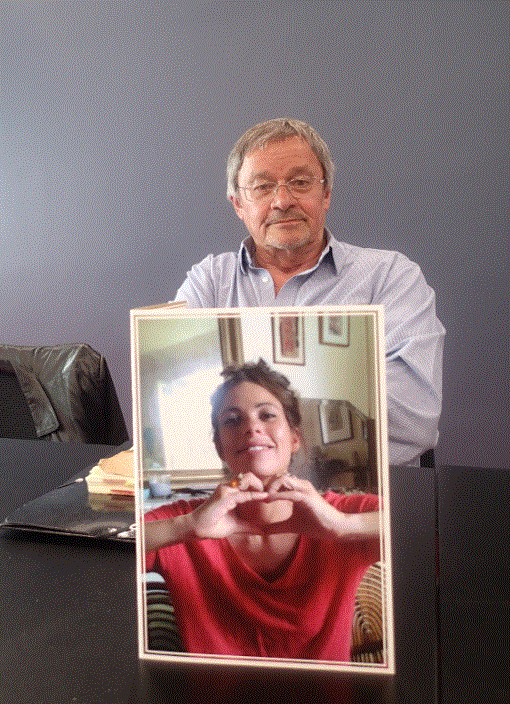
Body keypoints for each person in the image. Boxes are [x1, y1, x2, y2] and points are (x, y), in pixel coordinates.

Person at [174, 119, 445, 466]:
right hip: (239, 494)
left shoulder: (390, 278)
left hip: (376, 495)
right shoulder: (208, 283)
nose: (282, 200)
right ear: (238, 204)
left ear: (326, 193)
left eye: (300, 183)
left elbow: (412, 419)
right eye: (262, 187)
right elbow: (179, 414)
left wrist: (241, 416)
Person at [144, 360, 380, 662]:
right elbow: (100, 549)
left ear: (294, 438)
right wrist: (187, 526)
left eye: (267, 415)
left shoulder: (343, 513)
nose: (251, 427)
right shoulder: (185, 521)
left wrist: (343, 525)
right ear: (219, 448)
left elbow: (428, 528)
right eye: (232, 420)